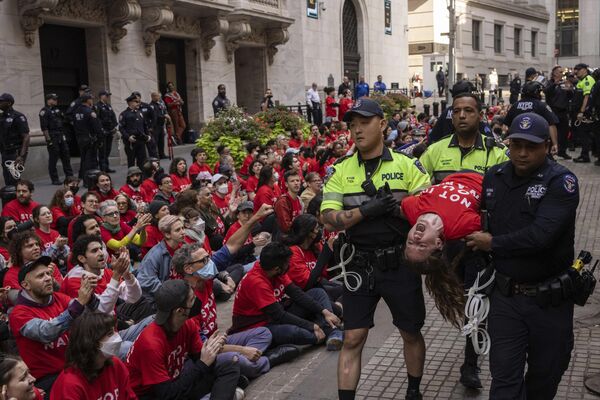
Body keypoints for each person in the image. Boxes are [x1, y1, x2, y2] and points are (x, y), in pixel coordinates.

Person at [320, 98, 431, 400]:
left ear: (382, 124)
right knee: (353, 337)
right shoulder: (339, 170)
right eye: (352, 124)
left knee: (410, 331)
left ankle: (413, 391)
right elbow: (328, 219)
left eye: (364, 122)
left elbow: (429, 213)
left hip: (400, 264)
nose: (356, 130)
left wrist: (399, 209)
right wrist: (365, 212)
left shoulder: (408, 165)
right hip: (359, 266)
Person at [465, 113, 579, 399]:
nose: (523, 153)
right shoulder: (494, 176)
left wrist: (492, 243)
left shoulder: (561, 182)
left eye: (531, 146)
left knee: (546, 376)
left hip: (550, 301)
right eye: (516, 145)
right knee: (503, 380)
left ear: (547, 146)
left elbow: (541, 235)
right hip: (506, 299)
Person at [171, 243, 274, 377]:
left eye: (208, 257)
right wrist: (242, 350)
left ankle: (242, 366)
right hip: (205, 352)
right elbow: (203, 348)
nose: (210, 263)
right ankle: (264, 361)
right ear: (188, 268)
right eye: (204, 260)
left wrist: (225, 277)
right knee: (235, 358)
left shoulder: (205, 281)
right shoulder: (187, 303)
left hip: (219, 342)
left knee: (264, 333)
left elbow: (231, 247)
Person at [126, 279, 241, 400]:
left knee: (230, 363)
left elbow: (202, 362)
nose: (196, 301)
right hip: (152, 395)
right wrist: (203, 364)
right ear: (180, 311)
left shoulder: (187, 324)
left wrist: (211, 350)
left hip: (175, 381)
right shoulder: (151, 344)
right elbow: (167, 394)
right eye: (192, 299)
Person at [9, 255, 97, 394]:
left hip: (76, 366)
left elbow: (87, 317)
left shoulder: (58, 298)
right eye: (40, 276)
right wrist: (79, 304)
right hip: (48, 378)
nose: (48, 278)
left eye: (48, 273)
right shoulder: (18, 314)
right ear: (26, 285)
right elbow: (46, 332)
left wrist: (90, 298)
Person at [231, 242, 342, 350]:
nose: (289, 265)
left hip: (280, 312)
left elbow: (297, 294)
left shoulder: (274, 271)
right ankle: (332, 331)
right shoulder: (257, 282)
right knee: (296, 332)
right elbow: (279, 315)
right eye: (287, 263)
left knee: (317, 293)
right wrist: (311, 326)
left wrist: (324, 311)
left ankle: (331, 330)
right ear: (277, 269)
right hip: (261, 325)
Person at [420, 93, 509, 184]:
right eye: (456, 111)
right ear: (452, 117)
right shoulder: (433, 151)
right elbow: (419, 189)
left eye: (468, 110)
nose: (461, 115)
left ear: (481, 116)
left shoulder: (499, 153)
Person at [50, 311, 137, 399]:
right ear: (91, 341)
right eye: (110, 334)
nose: (117, 336)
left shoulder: (116, 364)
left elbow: (129, 397)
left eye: (114, 331)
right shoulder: (70, 384)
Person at [503, 81, 559, 155]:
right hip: (535, 141)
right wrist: (555, 144)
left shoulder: (515, 105)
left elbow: (505, 126)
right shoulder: (541, 105)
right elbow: (551, 124)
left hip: (517, 142)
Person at [39, 93, 73, 185]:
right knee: (53, 158)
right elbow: (44, 128)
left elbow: (64, 120)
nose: (56, 101)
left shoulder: (57, 110)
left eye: (56, 99)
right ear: (49, 100)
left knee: (66, 156)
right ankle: (55, 179)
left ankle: (69, 176)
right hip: (52, 136)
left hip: (61, 135)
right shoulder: (44, 111)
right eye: (54, 99)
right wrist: (48, 140)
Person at [0, 93, 30, 186]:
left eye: (1, 101)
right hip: (5, 152)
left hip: (15, 153)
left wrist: (21, 156)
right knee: (8, 180)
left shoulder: (18, 116)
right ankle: (11, 200)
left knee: (14, 179)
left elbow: (26, 136)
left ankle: (19, 198)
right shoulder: (1, 117)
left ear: (9, 103)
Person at [545, 65, 573, 160]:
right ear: (555, 73)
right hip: (553, 111)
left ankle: (562, 151)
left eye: (562, 72)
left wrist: (570, 90)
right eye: (560, 72)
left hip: (563, 111)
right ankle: (550, 152)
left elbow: (570, 97)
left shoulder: (564, 83)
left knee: (564, 132)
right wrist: (554, 84)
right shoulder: (549, 83)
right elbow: (546, 92)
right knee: (552, 133)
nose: (562, 74)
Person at [73, 94, 102, 179]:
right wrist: (100, 139)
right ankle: (88, 180)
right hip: (90, 139)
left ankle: (81, 175)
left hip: (80, 138)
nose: (92, 101)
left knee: (83, 159)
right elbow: (97, 127)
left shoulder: (76, 111)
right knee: (91, 161)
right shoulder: (90, 112)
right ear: (87, 100)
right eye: (91, 99)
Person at [572, 63, 597, 163]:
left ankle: (585, 156)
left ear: (584, 70)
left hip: (584, 113)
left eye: (578, 69)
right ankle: (585, 154)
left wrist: (582, 112)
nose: (576, 71)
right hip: (579, 112)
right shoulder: (581, 81)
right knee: (582, 134)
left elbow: (587, 97)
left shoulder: (588, 80)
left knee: (584, 135)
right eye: (575, 69)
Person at [119, 95, 148, 168]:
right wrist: (128, 137)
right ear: (130, 103)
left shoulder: (139, 113)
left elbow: (144, 126)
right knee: (131, 161)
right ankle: (131, 178)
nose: (138, 103)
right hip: (131, 141)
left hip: (141, 140)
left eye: (138, 102)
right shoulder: (124, 114)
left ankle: (142, 177)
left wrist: (147, 135)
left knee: (142, 161)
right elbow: (121, 128)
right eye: (136, 102)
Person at [96, 90, 118, 173]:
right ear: (101, 96)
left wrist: (115, 126)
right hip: (103, 132)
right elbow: (97, 120)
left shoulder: (108, 105)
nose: (107, 97)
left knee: (108, 150)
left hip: (110, 131)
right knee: (102, 151)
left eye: (108, 96)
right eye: (106, 95)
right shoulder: (98, 106)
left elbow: (113, 116)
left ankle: (106, 167)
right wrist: (101, 130)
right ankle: (103, 168)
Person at [149, 91, 170, 159]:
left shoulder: (161, 103)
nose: (158, 97)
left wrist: (166, 115)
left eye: (158, 96)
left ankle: (162, 154)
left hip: (161, 125)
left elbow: (164, 110)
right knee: (155, 141)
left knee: (161, 141)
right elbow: (155, 116)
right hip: (155, 126)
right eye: (156, 96)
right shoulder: (151, 105)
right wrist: (164, 116)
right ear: (152, 97)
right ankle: (155, 155)